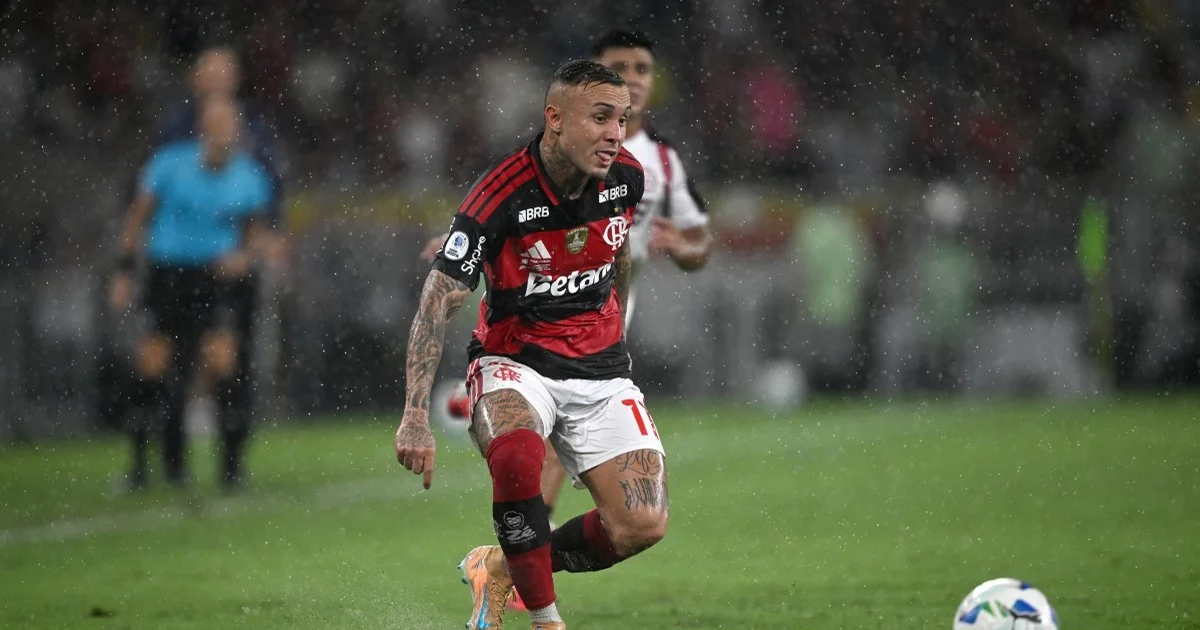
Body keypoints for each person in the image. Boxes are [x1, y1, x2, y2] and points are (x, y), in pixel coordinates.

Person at [395, 60, 667, 630]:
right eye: (600, 118)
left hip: (599, 366)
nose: (615, 133)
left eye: (622, 119)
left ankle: (498, 566)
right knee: (519, 453)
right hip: (514, 361)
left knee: (640, 526)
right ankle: (545, 619)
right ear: (555, 120)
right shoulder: (499, 197)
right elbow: (435, 301)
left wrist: (618, 328)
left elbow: (617, 253)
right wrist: (414, 417)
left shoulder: (627, 178)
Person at [109, 97, 272, 491]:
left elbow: (256, 233)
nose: (225, 133)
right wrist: (124, 270)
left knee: (223, 366)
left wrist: (245, 258)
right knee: (153, 369)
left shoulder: (250, 175)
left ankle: (231, 469)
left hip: (213, 279)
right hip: (166, 276)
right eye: (218, 125)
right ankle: (142, 468)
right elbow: (138, 217)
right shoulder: (169, 165)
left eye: (231, 125)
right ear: (203, 129)